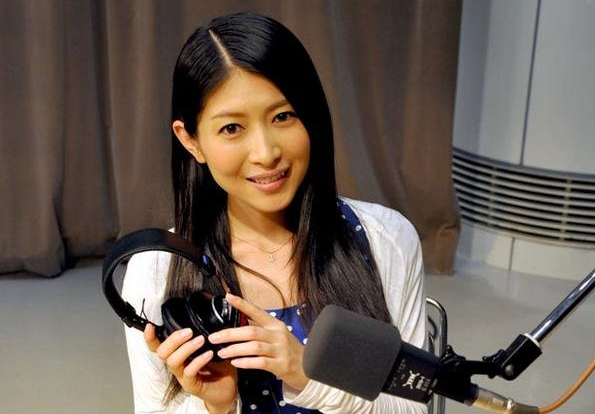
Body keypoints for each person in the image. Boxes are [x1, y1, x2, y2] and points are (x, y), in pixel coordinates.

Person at [122, 11, 428, 414]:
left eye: (283, 117)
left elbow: (412, 407)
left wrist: (308, 377)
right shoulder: (158, 269)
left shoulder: (386, 238)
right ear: (191, 140)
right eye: (232, 128)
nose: (266, 153)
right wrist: (217, 406)